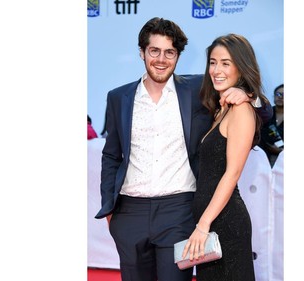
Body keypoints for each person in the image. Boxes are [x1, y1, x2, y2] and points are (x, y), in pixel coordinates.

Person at [94, 17, 272, 281]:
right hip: (129, 212)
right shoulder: (118, 97)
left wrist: (249, 97)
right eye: (154, 51)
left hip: (178, 211)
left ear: (178, 56)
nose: (161, 59)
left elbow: (264, 112)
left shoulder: (197, 90)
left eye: (170, 52)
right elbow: (111, 155)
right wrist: (109, 206)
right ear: (142, 52)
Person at [181, 33, 268, 281]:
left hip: (224, 223)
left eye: (226, 63)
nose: (217, 70)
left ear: (242, 67)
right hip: (210, 222)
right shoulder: (221, 108)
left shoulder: (241, 108)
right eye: (212, 62)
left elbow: (232, 174)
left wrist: (203, 224)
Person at [258, 84, 284, 167]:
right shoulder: (266, 113)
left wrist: (281, 151)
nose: (280, 97)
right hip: (261, 156)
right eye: (278, 94)